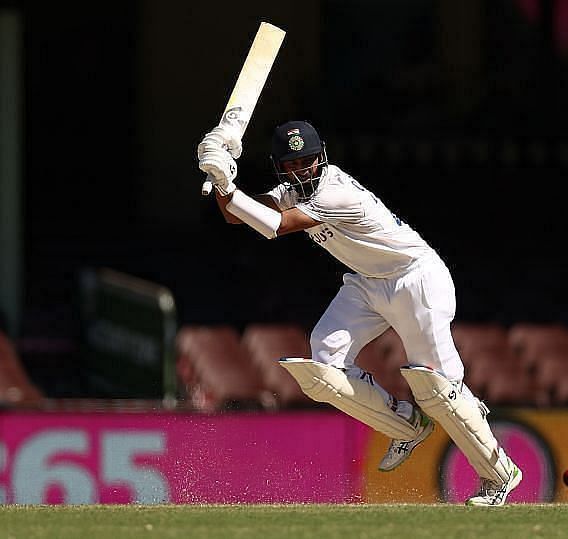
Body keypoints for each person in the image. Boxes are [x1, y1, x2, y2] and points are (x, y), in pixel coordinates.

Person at [196, 120, 522, 506]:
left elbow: (275, 226)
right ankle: (405, 425)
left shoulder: (335, 192)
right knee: (323, 365)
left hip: (415, 278)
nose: (301, 171)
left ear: (322, 157)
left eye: (307, 161)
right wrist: (219, 177)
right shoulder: (292, 191)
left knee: (436, 387)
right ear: (279, 166)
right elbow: (238, 216)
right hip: (368, 282)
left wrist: (228, 185)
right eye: (291, 164)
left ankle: (499, 474)